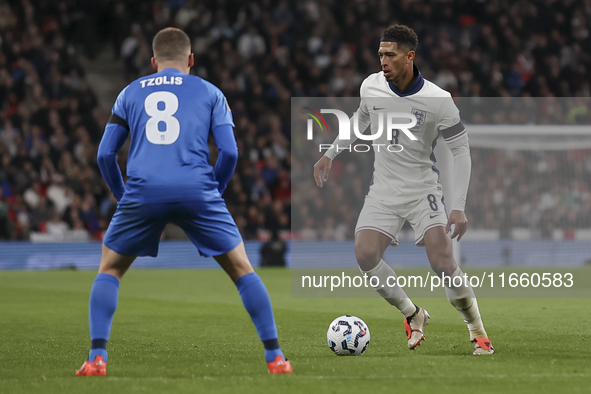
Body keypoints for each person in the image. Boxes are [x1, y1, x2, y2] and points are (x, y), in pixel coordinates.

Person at [76, 27, 292, 376]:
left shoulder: (129, 92)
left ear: (153, 61)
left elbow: (104, 155)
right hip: (197, 187)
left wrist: (123, 196)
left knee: (111, 268)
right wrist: (213, 192)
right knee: (241, 269)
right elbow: (230, 152)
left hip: (143, 190)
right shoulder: (210, 92)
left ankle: (97, 359)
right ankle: (276, 358)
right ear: (191, 59)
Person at [313, 25, 494, 355]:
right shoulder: (371, 86)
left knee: (442, 261)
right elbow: (358, 122)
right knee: (365, 254)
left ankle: (477, 330)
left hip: (423, 190)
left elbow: (461, 151)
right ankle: (413, 314)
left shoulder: (439, 100)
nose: (383, 60)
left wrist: (458, 205)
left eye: (390, 54)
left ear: (410, 57)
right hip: (383, 190)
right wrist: (330, 153)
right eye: (380, 54)